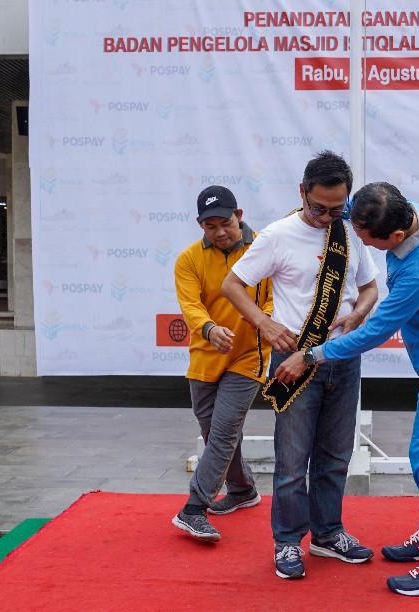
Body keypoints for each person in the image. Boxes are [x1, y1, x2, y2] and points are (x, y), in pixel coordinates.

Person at [274, 182, 419, 597]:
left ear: (395, 238)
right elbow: (345, 206)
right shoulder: (399, 210)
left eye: (366, 239)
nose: (358, 240)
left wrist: (311, 355)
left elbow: (371, 333)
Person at [222, 151, 379, 579]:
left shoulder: (348, 233)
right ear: (302, 192)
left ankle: (328, 534)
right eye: (318, 207)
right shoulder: (277, 235)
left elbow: (369, 288)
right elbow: (232, 284)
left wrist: (358, 314)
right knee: (292, 460)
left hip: (343, 357)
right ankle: (287, 541)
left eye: (337, 208)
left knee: (336, 455)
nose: (327, 216)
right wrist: (264, 324)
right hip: (295, 360)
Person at [170, 186, 272, 542]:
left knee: (225, 430)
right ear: (199, 225)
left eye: (225, 223)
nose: (219, 232)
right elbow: (190, 306)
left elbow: (276, 300)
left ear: (239, 215)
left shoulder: (264, 248)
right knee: (215, 434)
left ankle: (194, 508)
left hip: (249, 356)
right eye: (209, 226)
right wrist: (209, 329)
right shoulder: (188, 260)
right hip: (204, 356)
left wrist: (262, 323)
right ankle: (243, 490)